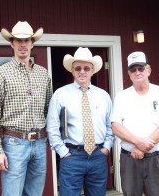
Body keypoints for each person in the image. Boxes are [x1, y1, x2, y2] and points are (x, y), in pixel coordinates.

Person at [0, 21, 52, 196]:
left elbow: (48, 110)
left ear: (32, 43)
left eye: (27, 40)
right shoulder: (0, 74)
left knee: (35, 193)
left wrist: (51, 139)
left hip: (39, 143)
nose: (23, 44)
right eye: (18, 40)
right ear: (11, 43)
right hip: (13, 144)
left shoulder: (43, 74)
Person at [47, 47, 115, 196]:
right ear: (72, 70)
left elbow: (111, 125)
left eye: (86, 68)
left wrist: (106, 148)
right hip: (72, 156)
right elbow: (52, 127)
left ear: (92, 71)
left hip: (98, 156)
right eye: (78, 68)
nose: (82, 71)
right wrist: (62, 152)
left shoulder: (104, 96)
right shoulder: (60, 95)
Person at [111, 51, 159, 196]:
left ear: (148, 70)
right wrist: (138, 142)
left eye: (141, 68)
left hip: (157, 159)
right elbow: (116, 126)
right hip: (130, 160)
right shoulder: (121, 96)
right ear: (129, 73)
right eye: (133, 69)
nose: (137, 72)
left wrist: (142, 148)